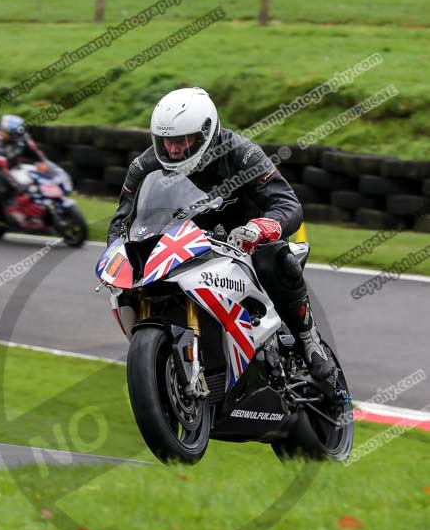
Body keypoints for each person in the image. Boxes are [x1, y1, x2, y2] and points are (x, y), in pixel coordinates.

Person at [107, 87, 338, 392]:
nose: (172, 150)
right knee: (129, 283)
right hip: (181, 244)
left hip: (243, 242)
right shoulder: (144, 166)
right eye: (166, 141)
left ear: (205, 134)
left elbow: (288, 204)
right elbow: (121, 222)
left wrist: (261, 228)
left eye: (180, 141)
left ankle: (309, 342)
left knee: (274, 256)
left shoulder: (241, 153)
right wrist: (116, 252)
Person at [0, 115, 47, 209]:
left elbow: (36, 152)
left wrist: (45, 164)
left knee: (34, 182)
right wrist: (16, 185)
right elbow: (1, 166)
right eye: (5, 132)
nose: (6, 134)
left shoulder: (24, 137)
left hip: (13, 167)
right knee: (6, 190)